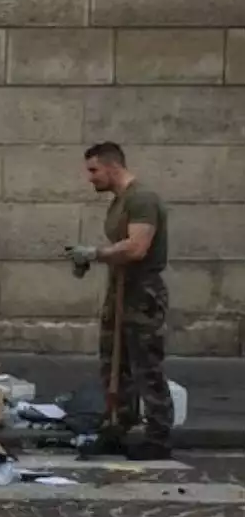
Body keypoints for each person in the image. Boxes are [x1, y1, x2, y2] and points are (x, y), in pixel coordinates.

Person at [64, 141, 173, 461]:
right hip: (121, 290)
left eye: (94, 170)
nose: (90, 177)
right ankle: (118, 427)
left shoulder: (142, 199)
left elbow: (137, 247)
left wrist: (95, 254)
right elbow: (121, 248)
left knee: (146, 366)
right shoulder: (119, 201)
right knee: (114, 365)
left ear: (113, 166)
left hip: (142, 293)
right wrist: (89, 258)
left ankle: (158, 436)